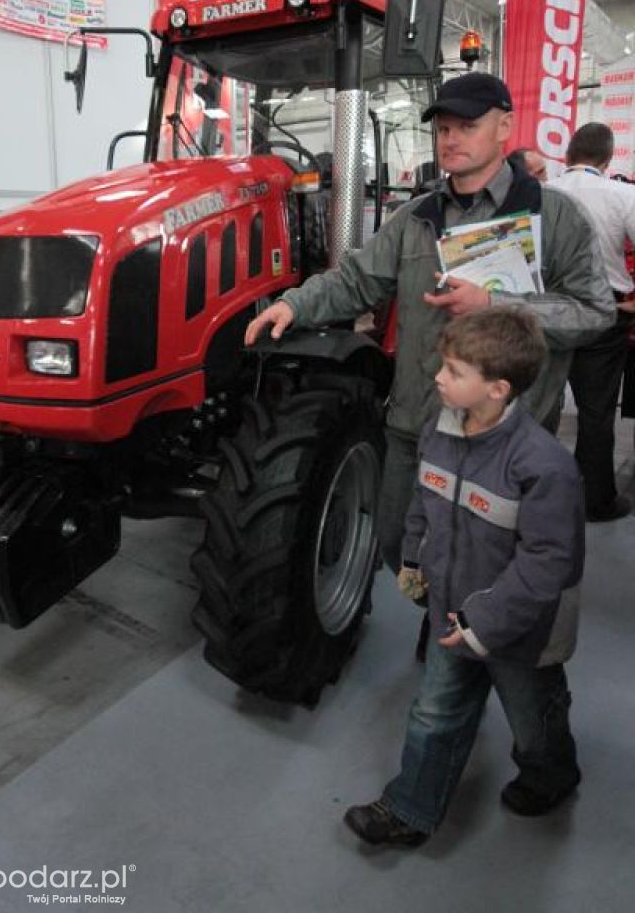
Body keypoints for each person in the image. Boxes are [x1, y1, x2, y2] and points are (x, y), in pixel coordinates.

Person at [245, 71, 615, 574]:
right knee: (400, 543)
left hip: (507, 434)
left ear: (505, 126)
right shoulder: (415, 219)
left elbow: (595, 311)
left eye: (466, 126)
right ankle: (438, 609)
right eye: (442, 129)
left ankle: (469, 632)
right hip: (416, 426)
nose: (450, 139)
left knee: (497, 562)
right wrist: (295, 304)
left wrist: (497, 303)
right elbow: (356, 280)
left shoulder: (556, 217)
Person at [343, 307, 584, 847]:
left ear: (497, 389)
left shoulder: (543, 467)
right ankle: (409, 811)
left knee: (532, 721)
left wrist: (485, 622)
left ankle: (552, 775)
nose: (437, 377)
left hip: (521, 629)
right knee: (435, 712)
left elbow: (550, 561)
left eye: (453, 371)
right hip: (451, 610)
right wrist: (412, 561)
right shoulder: (439, 429)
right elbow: (424, 506)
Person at [550, 122, 635, 521]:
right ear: (608, 157)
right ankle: (596, 502)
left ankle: (534, 498)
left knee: (540, 408)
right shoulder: (623, 194)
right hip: (606, 314)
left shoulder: (543, 193)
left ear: (567, 155)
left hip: (548, 313)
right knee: (596, 413)